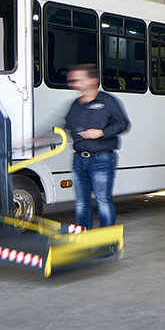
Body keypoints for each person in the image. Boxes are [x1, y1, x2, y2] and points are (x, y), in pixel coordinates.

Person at [65, 64, 130, 229]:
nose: (74, 83)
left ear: (93, 81)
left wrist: (102, 132)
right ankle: (84, 241)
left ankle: (107, 243)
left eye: (79, 80)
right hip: (79, 160)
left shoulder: (108, 101)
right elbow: (65, 125)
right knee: (81, 203)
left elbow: (123, 124)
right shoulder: (76, 105)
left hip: (102, 159)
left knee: (103, 201)